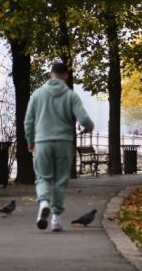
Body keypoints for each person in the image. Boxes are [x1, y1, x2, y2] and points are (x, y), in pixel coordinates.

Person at [25, 62, 94, 232]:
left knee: (42, 178)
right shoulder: (71, 96)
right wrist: (89, 127)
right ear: (66, 76)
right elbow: (84, 119)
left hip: (42, 143)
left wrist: (30, 141)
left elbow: (28, 121)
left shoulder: (37, 95)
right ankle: (56, 218)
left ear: (51, 74)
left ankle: (43, 203)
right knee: (60, 181)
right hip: (64, 143)